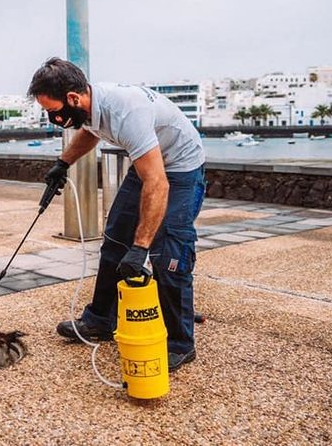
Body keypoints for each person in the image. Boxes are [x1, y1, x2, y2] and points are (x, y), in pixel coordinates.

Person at [28, 57, 206, 371]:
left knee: (169, 253)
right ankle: (100, 320)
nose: (52, 118)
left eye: (54, 111)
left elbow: (158, 182)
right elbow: (92, 132)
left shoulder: (126, 111)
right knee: (114, 241)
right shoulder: (91, 106)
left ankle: (180, 343)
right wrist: (63, 163)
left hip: (179, 170)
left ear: (73, 99)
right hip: (148, 164)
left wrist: (140, 249)